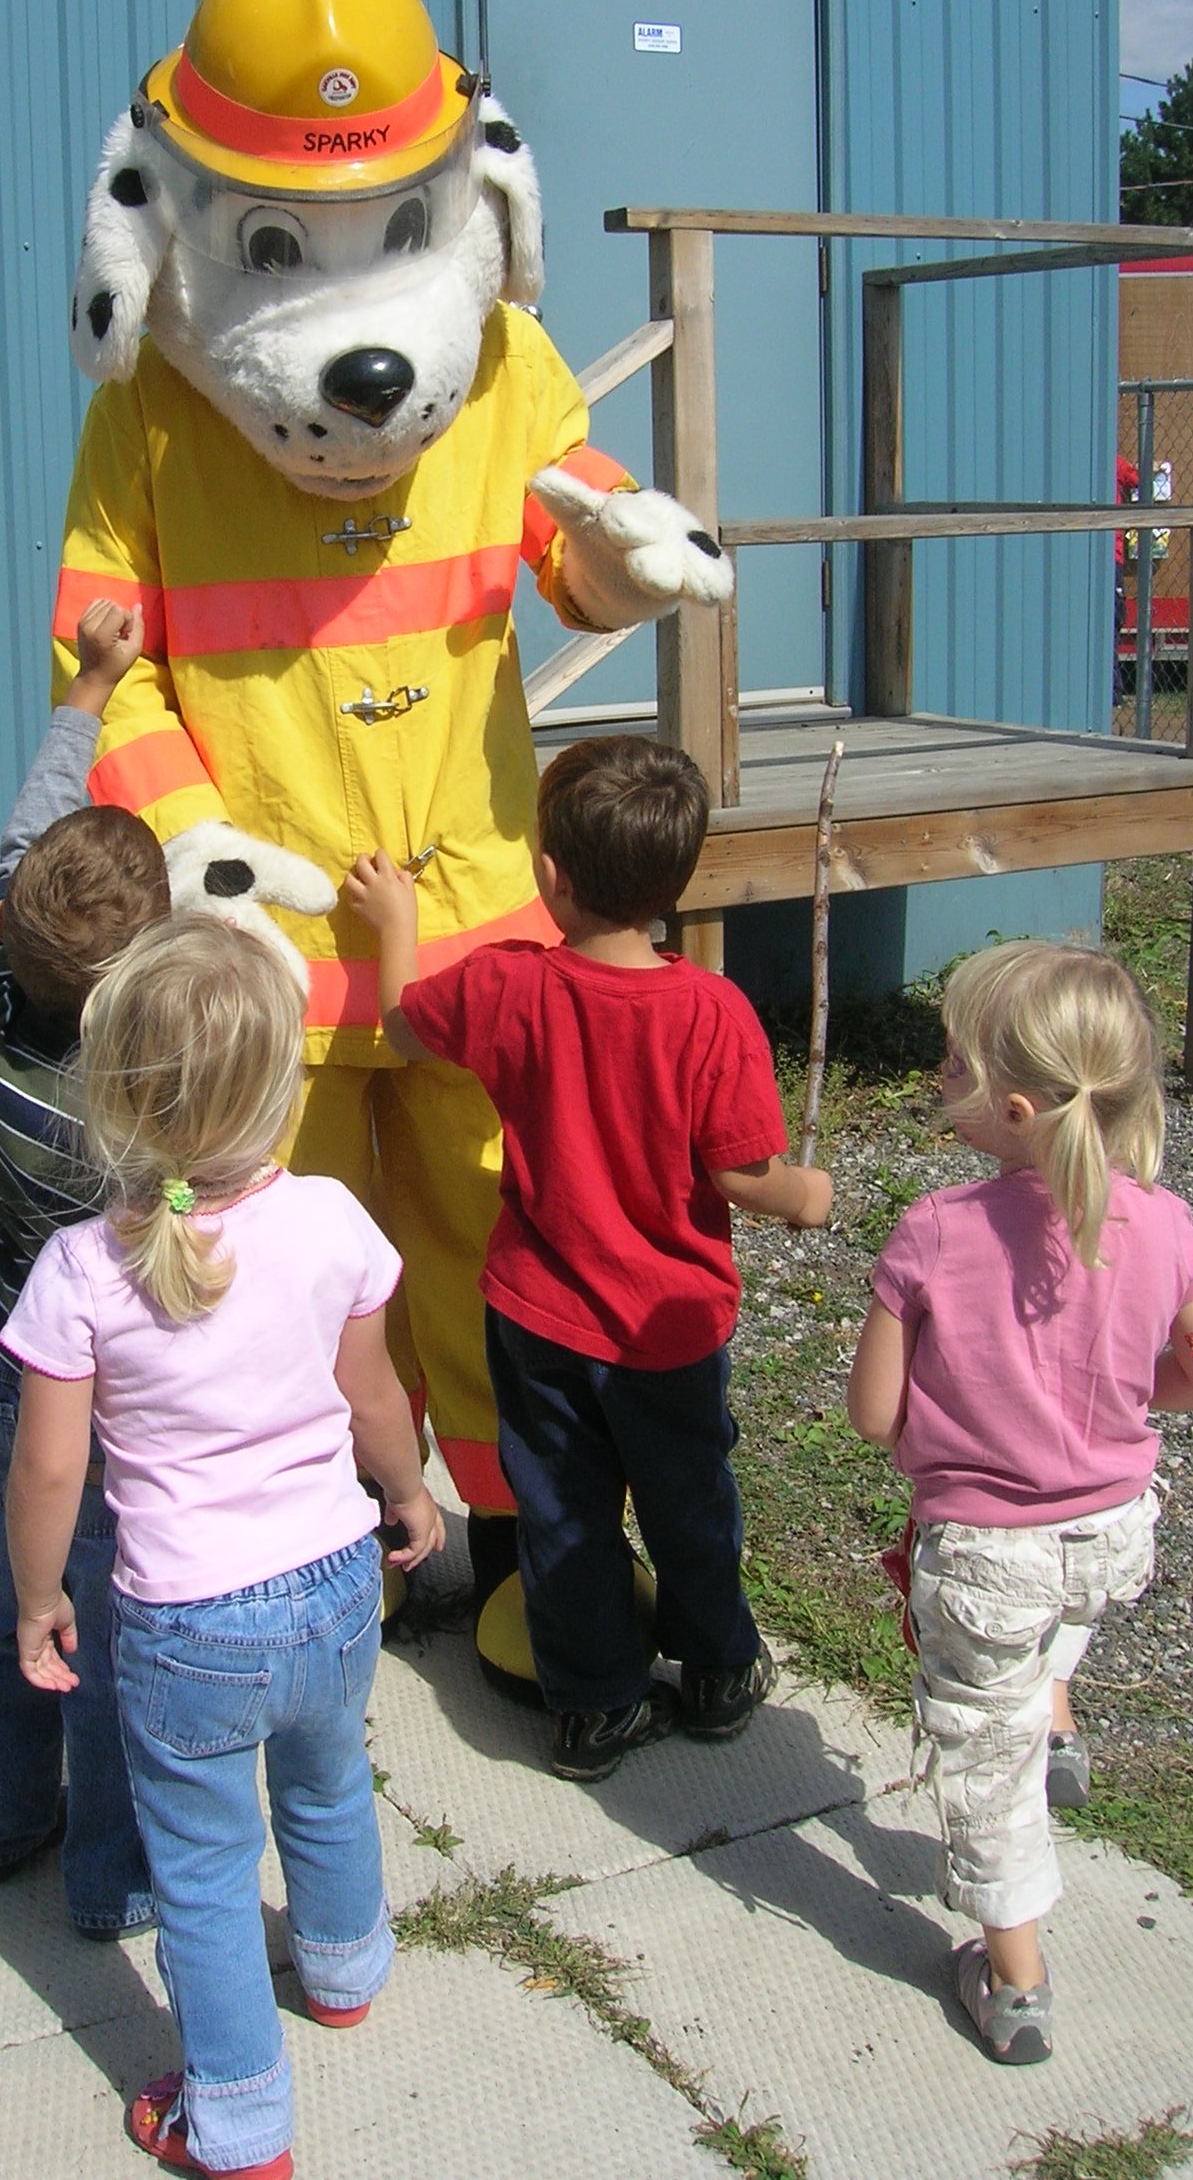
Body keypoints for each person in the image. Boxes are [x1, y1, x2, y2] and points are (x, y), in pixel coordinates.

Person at [3, 916, 443, 2180]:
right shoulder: (333, 1220)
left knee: (200, 1871)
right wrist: (408, 1489)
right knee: (328, 1782)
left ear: (109, 1095)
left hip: (190, 1621)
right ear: (283, 1085)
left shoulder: (81, 1268)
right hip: (336, 1584)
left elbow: (48, 1467)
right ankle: (349, 1974)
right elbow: (371, 1397)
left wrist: (39, 1596)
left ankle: (241, 2123)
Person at [344, 733, 832, 1786]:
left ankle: (596, 1707)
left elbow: (400, 1024)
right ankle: (715, 1668)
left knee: (563, 1518)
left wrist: (396, 923)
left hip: (540, 1320)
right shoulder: (712, 1011)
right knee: (689, 1502)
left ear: (550, 878)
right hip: (670, 1330)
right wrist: (807, 1195)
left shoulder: (509, 989)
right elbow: (746, 1176)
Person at [846, 939, 1193, 2068]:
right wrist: (1132, 1393)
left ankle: (1014, 1977)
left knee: (985, 1758)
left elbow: (874, 1417)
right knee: (1059, 1616)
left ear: (1014, 1106)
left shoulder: (933, 1231)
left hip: (986, 1553)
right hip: (1112, 1529)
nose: (935, 1078)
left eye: (950, 1063)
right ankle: (1058, 1706)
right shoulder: (1160, 1223)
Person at [0, 597, 170, 1938]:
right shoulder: (137, 1106)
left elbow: (34, 831)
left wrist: (86, 690)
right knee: (110, 1629)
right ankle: (114, 1877)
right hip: (112, 1380)